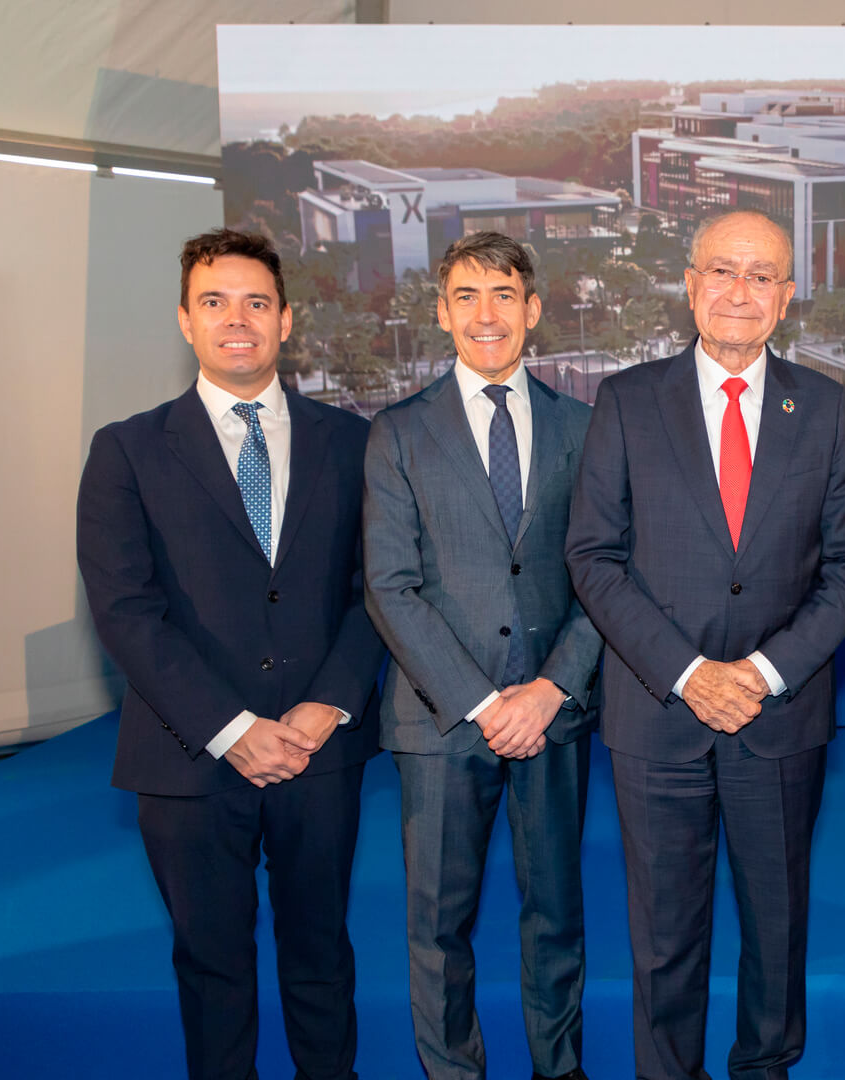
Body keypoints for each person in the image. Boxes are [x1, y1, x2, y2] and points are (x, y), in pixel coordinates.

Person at [565, 209, 845, 1080]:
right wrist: (690, 673)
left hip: (779, 719)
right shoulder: (627, 400)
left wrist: (764, 673)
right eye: (723, 271)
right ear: (691, 284)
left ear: (787, 295)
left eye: (762, 275)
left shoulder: (826, 407)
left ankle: (764, 1069)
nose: (741, 291)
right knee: (665, 936)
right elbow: (593, 556)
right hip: (657, 714)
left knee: (777, 931)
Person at [76, 228, 384, 1080]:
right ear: (185, 320)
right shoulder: (127, 450)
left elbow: (378, 590)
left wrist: (329, 704)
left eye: (256, 303)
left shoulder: (353, 442)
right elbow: (125, 610)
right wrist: (231, 727)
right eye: (214, 302)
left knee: (321, 955)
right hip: (189, 754)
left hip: (320, 749)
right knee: (211, 968)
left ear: (286, 320)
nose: (236, 320)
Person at [363, 232, 601, 1080]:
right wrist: (482, 702)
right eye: (466, 295)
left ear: (532, 310)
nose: (485, 313)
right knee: (438, 927)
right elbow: (389, 587)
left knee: (557, 916)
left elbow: (605, 576)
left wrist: (551, 688)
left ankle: (559, 1068)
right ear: (442, 313)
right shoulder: (397, 433)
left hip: (553, 717)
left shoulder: (584, 427)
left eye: (503, 294)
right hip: (440, 723)